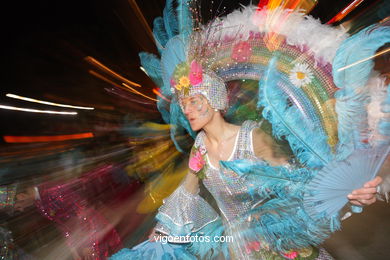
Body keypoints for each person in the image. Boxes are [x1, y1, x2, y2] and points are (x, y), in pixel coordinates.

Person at [111, 68, 382, 260]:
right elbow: (187, 191)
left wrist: (346, 193)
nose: (187, 110)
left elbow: (297, 183)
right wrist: (163, 230)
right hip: (234, 249)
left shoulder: (252, 138)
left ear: (214, 101)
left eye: (193, 101)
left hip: (277, 242)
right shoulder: (200, 146)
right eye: (183, 105)